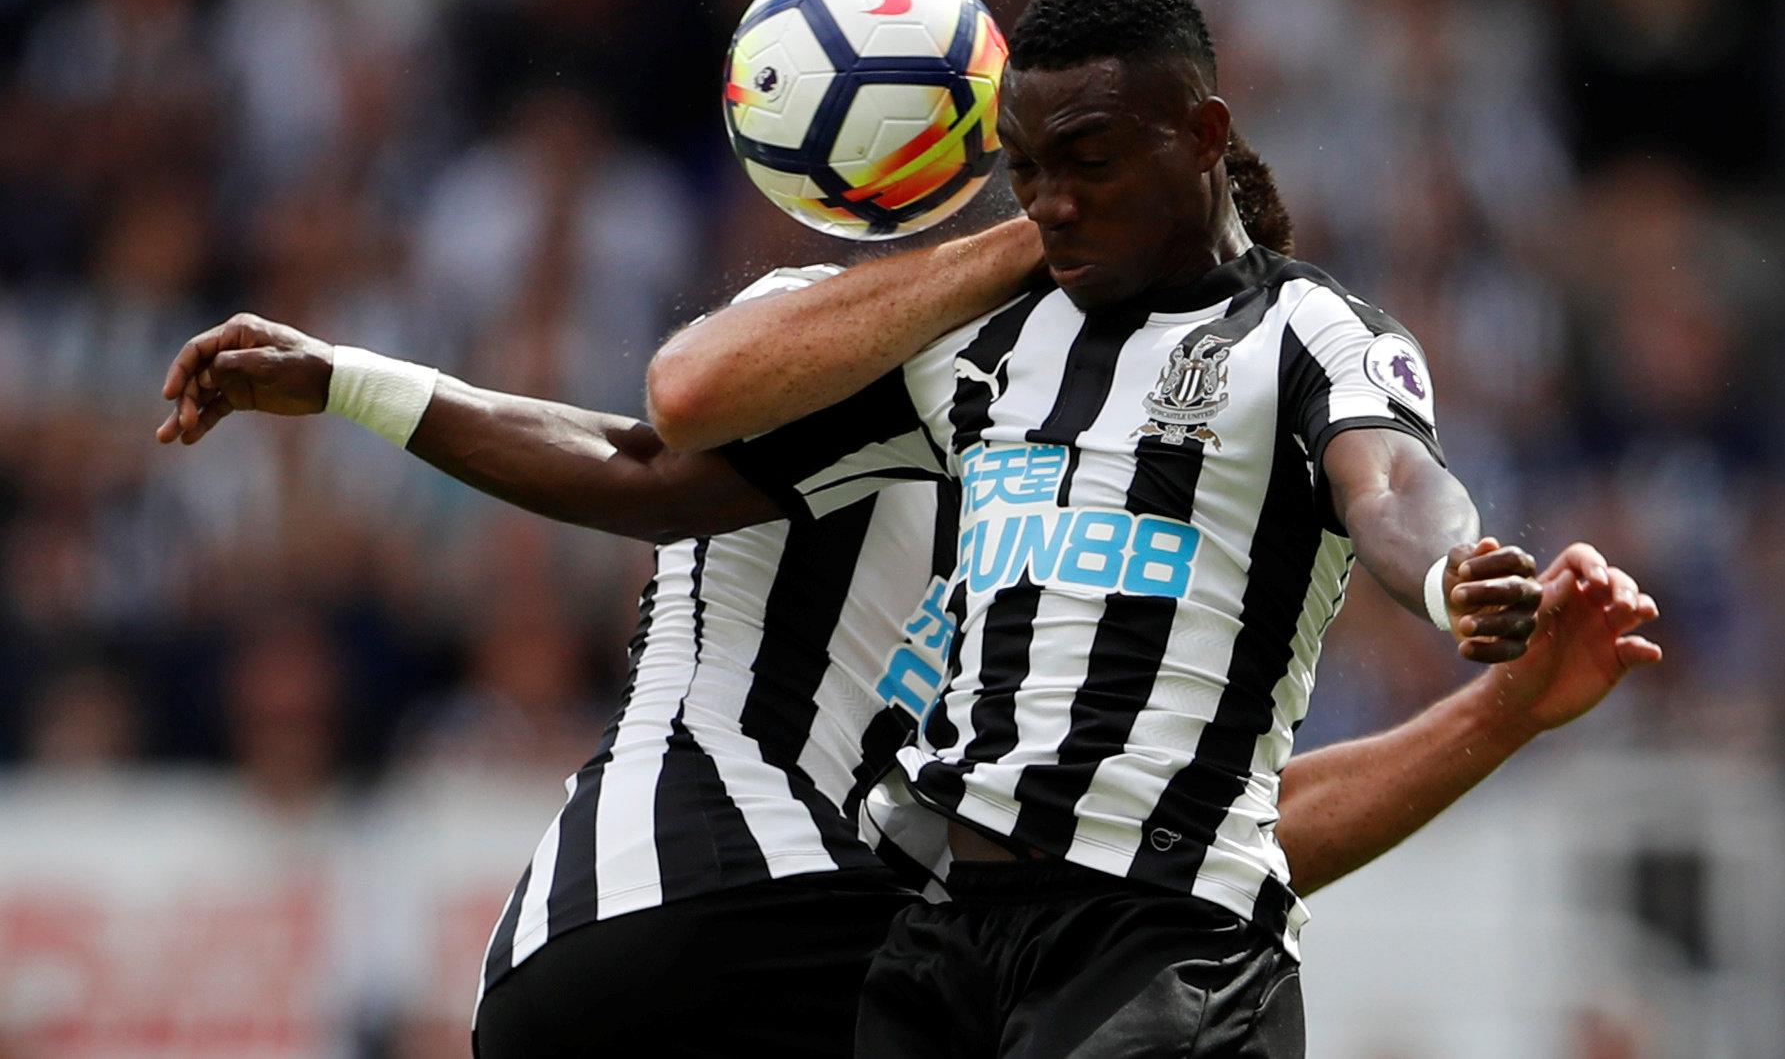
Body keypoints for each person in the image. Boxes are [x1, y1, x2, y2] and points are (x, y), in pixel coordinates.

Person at [157, 301, 1657, 1059]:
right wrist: (354, 382)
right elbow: (663, 424)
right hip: (750, 914)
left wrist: (1503, 713)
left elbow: (1186, 845)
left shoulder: (1077, 605)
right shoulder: (924, 352)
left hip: (577, 959)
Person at [642, 0, 1555, 1056]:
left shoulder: (1307, 328)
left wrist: (1452, 575)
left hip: (1161, 935)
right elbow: (673, 428)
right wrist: (442, 404)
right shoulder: (991, 345)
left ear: (1204, 134)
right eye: (1025, 171)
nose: (1053, 203)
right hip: (943, 934)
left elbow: (1395, 482)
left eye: (1090, 161)